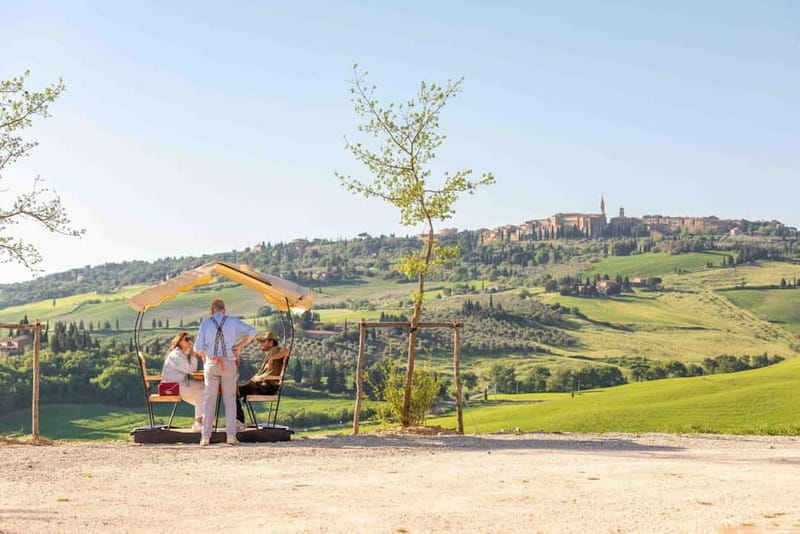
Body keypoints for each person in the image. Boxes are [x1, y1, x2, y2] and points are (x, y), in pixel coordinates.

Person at [194, 298, 256, 446]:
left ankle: (205, 437)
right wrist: (240, 345)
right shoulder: (233, 321)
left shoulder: (205, 323)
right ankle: (231, 436)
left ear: (212, 310)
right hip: (229, 362)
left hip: (211, 363)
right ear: (224, 310)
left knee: (209, 400)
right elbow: (253, 332)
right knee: (230, 400)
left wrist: (206, 358)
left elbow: (197, 348)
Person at [236, 331, 287, 426]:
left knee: (232, 392)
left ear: (271, 342)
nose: (261, 344)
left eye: (263, 342)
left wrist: (272, 358)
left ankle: (239, 421)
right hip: (262, 385)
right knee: (234, 391)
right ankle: (239, 420)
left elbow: (286, 351)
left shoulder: (275, 350)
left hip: (266, 386)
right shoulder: (272, 352)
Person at [161, 332, 204, 431]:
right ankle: (198, 423)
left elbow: (191, 370)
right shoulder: (176, 355)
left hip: (180, 383)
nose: (189, 341)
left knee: (206, 386)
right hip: (173, 386)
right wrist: (193, 355)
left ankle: (206, 418)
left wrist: (192, 355)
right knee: (201, 393)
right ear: (179, 341)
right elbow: (191, 370)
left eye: (190, 339)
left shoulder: (180, 354)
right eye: (186, 339)